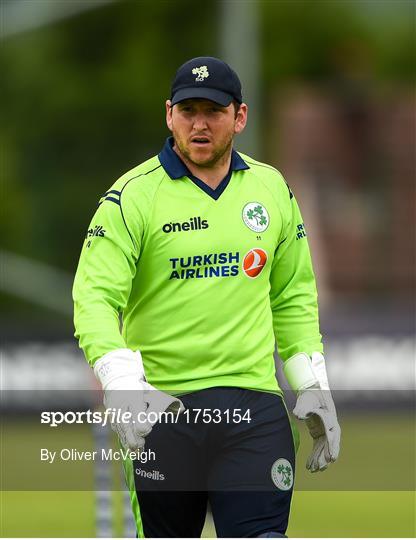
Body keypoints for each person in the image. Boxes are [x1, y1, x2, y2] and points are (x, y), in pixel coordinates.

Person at [73, 56, 341, 538]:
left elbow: (293, 296)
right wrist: (120, 379)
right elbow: (93, 298)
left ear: (239, 117)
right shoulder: (131, 197)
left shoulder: (271, 189)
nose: (200, 123)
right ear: (168, 114)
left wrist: (311, 383)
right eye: (188, 110)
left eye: (213, 111)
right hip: (163, 413)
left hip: (253, 408)